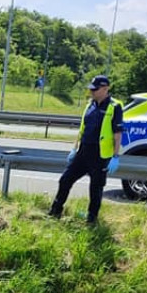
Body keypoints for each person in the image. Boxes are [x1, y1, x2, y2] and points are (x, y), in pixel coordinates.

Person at [48, 75, 123, 225]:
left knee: (95, 188)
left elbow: (117, 134)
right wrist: (74, 148)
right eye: (91, 89)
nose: (92, 92)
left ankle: (91, 219)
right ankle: (55, 211)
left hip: (100, 155)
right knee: (65, 180)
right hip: (83, 152)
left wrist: (115, 156)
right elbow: (82, 129)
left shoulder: (114, 107)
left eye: (95, 90)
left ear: (105, 89)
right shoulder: (90, 105)